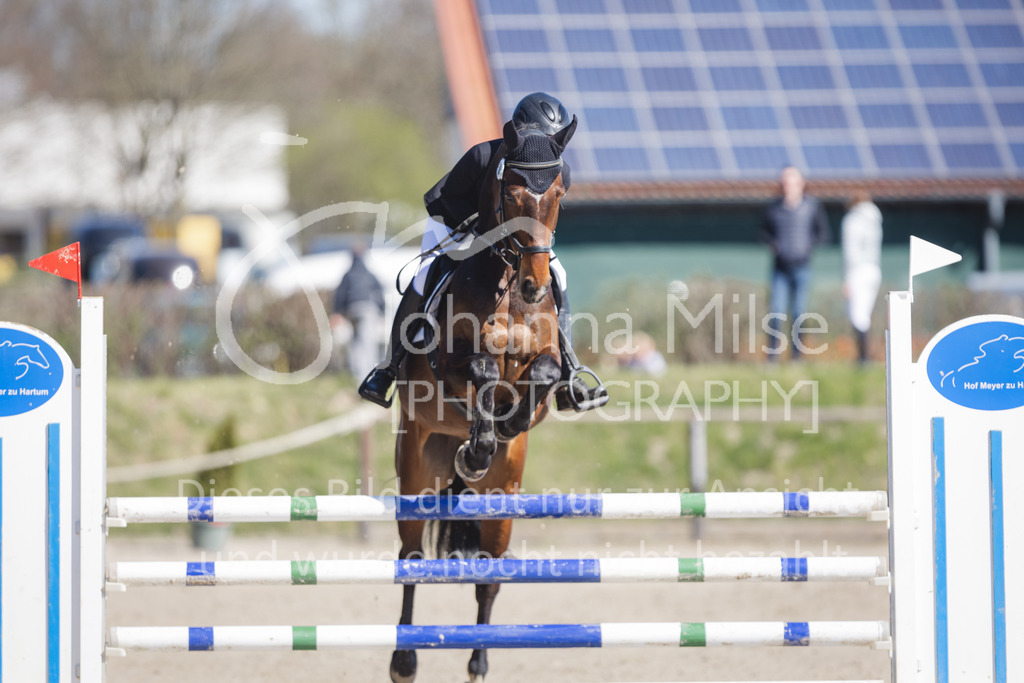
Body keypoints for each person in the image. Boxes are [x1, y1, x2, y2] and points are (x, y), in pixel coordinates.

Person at [358, 92, 608, 412]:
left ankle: (570, 372)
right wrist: (479, 228)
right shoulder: (482, 155)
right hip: (455, 220)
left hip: (519, 236)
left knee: (559, 274)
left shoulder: (561, 171)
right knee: (426, 276)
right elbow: (445, 199)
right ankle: (389, 368)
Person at [759, 165, 830, 361]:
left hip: (802, 266)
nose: (787, 186)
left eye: (791, 182)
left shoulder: (812, 207)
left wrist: (808, 246)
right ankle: (772, 357)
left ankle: (796, 357)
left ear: (801, 184)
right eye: (784, 182)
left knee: (799, 312)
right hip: (779, 268)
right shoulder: (773, 208)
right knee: (776, 312)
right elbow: (763, 233)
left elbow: (823, 234)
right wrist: (773, 244)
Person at [331, 243, 385, 378]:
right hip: (368, 310)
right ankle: (369, 377)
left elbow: (340, 294)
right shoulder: (370, 274)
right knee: (368, 344)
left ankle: (358, 376)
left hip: (352, 311)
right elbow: (379, 293)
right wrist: (382, 312)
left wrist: (337, 312)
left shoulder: (348, 274)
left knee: (356, 344)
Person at [841, 191, 883, 365]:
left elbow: (850, 252)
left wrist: (847, 278)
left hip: (857, 270)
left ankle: (863, 358)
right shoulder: (875, 219)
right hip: (874, 269)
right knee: (865, 314)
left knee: (858, 315)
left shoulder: (851, 221)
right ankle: (865, 356)